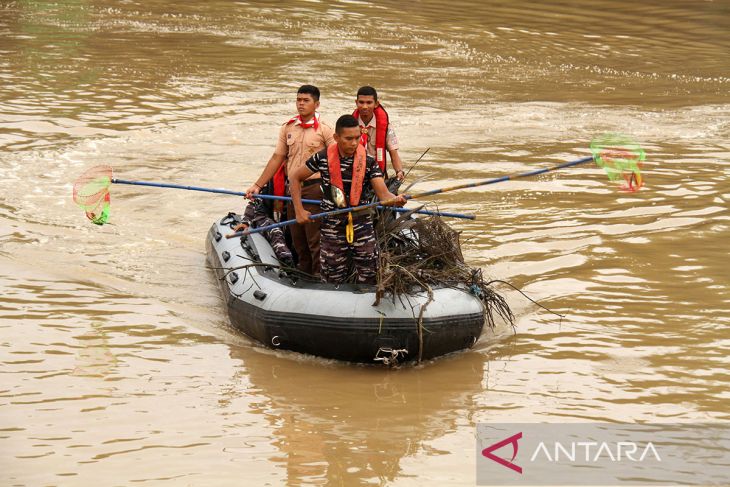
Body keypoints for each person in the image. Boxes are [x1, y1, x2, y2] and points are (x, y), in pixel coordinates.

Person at [289, 115, 406, 285]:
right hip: (332, 224)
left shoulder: (369, 162)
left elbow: (384, 195)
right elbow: (295, 177)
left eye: (357, 138)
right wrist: (299, 210)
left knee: (369, 271)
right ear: (336, 138)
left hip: (362, 224)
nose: (353, 143)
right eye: (348, 138)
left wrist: (396, 200)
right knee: (331, 273)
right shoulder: (321, 158)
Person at [245, 85, 335, 276]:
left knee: (314, 239)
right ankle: (302, 274)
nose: (301, 104)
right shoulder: (288, 127)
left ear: (316, 104)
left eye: (306, 100)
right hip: (292, 190)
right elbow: (277, 157)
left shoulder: (325, 130)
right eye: (298, 100)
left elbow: (336, 160)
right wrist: (258, 185)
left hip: (315, 190)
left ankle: (318, 278)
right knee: (297, 238)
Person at [233, 180, 294, 268]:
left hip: (290, 219)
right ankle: (287, 261)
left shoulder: (303, 182)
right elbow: (254, 204)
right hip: (265, 217)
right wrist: (245, 222)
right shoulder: (270, 182)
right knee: (275, 231)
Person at [352, 86, 405, 181]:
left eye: (369, 102)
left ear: (376, 104)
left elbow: (394, 154)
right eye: (361, 102)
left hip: (377, 176)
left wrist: (399, 171)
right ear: (356, 103)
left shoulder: (386, 127)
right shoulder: (349, 125)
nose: (364, 106)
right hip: (354, 174)